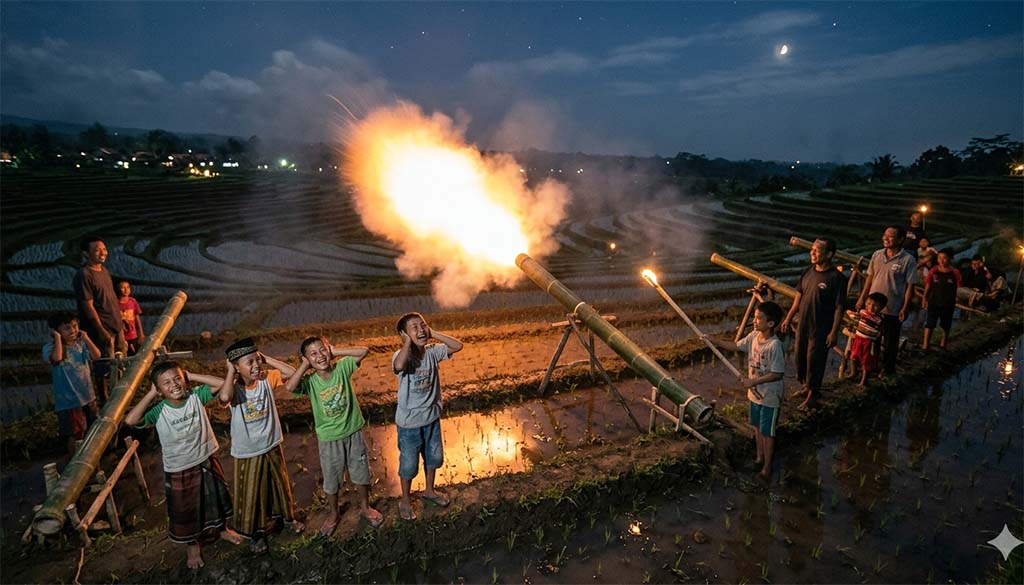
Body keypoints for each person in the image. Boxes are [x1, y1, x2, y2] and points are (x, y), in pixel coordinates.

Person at [125, 361, 244, 569]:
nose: (175, 384)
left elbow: (224, 384)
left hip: (206, 458)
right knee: (187, 510)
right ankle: (192, 546)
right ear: (160, 390)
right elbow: (131, 420)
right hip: (179, 467)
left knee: (216, 497)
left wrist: (192, 375)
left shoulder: (196, 397)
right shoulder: (159, 410)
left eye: (178, 378)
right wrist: (151, 394)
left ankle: (223, 529)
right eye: (167, 383)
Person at [283, 336, 384, 535]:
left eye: (322, 350)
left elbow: (363, 350)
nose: (320, 356)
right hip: (329, 438)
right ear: (307, 359)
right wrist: (304, 365)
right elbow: (290, 387)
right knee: (331, 479)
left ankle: (365, 507)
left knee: (361, 472)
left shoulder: (342, 368)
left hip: (353, 431)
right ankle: (334, 514)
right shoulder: (310, 381)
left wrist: (334, 351)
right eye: (313, 354)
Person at [219, 338, 303, 553]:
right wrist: (230, 371)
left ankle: (286, 520)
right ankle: (255, 534)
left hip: (271, 443)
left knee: (279, 486)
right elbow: (224, 396)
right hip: (248, 451)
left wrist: (267, 359)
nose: (256, 366)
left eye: (257, 360)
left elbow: (292, 372)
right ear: (237, 367)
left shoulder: (267, 378)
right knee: (251, 493)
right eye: (249, 362)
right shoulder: (235, 389)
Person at [392, 312, 464, 521]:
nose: (421, 330)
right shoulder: (401, 355)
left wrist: (433, 333)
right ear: (403, 334)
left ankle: (429, 491)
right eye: (414, 328)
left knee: (434, 458)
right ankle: (405, 500)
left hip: (431, 419)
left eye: (422, 325)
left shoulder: (433, 352)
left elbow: (457, 346)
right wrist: (407, 343)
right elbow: (398, 366)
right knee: (408, 465)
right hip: (409, 424)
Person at [706, 302, 786, 480]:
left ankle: (767, 467)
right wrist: (714, 341)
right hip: (755, 395)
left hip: (769, 396)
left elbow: (777, 374)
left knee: (768, 432)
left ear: (771, 323)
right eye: (755, 317)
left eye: (759, 318)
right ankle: (759, 457)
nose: (755, 320)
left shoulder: (775, 346)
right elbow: (736, 346)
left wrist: (754, 381)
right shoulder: (753, 336)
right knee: (757, 427)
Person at [780, 237, 847, 411]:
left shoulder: (836, 278)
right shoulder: (809, 272)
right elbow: (798, 298)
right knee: (800, 358)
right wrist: (788, 318)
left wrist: (834, 332)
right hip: (803, 323)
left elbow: (839, 308)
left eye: (817, 250)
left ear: (829, 254)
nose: (813, 253)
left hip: (821, 327)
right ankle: (806, 387)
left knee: (815, 360)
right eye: (812, 250)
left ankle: (813, 396)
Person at [856, 226, 917, 378]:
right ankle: (871, 366)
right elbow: (869, 278)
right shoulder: (877, 255)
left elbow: (910, 286)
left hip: (893, 307)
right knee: (871, 338)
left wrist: (905, 307)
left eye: (890, 236)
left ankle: (888, 369)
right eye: (885, 235)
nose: (885, 238)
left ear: (900, 239)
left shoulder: (907, 260)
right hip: (873, 308)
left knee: (890, 341)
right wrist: (862, 298)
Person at [43, 312, 101, 455]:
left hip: (88, 396)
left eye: (75, 326)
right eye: (66, 328)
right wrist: (57, 338)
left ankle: (93, 459)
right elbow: (57, 358)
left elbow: (97, 355)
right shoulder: (50, 348)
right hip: (69, 402)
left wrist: (86, 338)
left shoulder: (80, 345)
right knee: (74, 435)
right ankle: (75, 464)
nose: (72, 331)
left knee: (93, 430)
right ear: (56, 331)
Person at [72, 236, 126, 357]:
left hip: (116, 326)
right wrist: (101, 330)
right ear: (86, 253)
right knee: (107, 366)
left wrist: (120, 321)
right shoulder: (84, 275)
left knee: (122, 364)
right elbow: (87, 305)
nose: (103, 252)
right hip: (102, 330)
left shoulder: (104, 271)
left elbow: (110, 299)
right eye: (97, 250)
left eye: (104, 249)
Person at [922, 249, 962, 350]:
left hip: (948, 303)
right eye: (939, 258)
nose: (941, 260)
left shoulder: (955, 272)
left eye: (944, 258)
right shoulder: (933, 271)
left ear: (950, 259)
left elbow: (959, 288)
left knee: (946, 324)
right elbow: (928, 285)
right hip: (933, 301)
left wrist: (958, 298)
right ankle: (925, 345)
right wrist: (924, 298)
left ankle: (943, 344)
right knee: (929, 323)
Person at [846, 292, 887, 386]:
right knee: (853, 356)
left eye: (875, 305)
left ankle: (864, 381)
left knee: (866, 361)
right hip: (858, 339)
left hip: (868, 342)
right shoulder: (862, 312)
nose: (871, 307)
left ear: (882, 307)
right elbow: (855, 317)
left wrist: (879, 336)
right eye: (868, 304)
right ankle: (853, 372)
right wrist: (850, 314)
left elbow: (881, 331)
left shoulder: (879, 319)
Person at [117, 280, 145, 355]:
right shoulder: (115, 303)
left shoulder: (132, 302)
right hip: (122, 336)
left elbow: (137, 318)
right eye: (123, 288)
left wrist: (141, 334)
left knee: (135, 353)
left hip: (133, 334)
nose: (126, 290)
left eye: (128, 287)